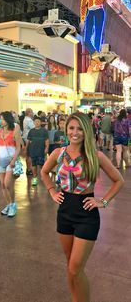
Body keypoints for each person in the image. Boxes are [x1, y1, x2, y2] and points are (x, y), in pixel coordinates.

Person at [41, 112, 124, 302]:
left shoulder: (96, 155)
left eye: (79, 129)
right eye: (71, 128)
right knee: (70, 266)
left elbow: (118, 181)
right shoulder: (58, 153)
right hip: (64, 212)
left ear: (86, 131)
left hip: (87, 214)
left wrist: (103, 201)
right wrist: (52, 191)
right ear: (66, 130)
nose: (75, 133)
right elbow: (45, 172)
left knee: (75, 268)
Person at [0, 111, 21, 217]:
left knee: (8, 184)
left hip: (10, 161)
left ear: (7, 120)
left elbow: (18, 147)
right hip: (1, 161)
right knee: (3, 185)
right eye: (0, 119)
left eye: (2, 119)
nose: (0, 121)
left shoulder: (14, 130)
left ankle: (13, 205)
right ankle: (8, 204)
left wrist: (13, 160)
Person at [26, 116, 49, 187]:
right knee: (33, 164)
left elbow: (47, 140)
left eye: (38, 121)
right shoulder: (31, 131)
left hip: (41, 150)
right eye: (35, 121)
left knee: (42, 164)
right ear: (33, 122)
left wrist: (46, 148)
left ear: (41, 122)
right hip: (33, 150)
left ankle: (43, 176)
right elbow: (28, 141)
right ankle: (35, 177)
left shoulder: (44, 131)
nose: (37, 123)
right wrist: (26, 148)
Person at [22, 108, 34, 176]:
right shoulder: (28, 120)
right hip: (29, 139)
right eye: (32, 112)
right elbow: (33, 127)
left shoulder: (25, 119)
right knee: (29, 155)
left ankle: (28, 169)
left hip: (26, 138)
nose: (32, 113)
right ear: (29, 113)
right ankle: (29, 169)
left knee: (28, 155)